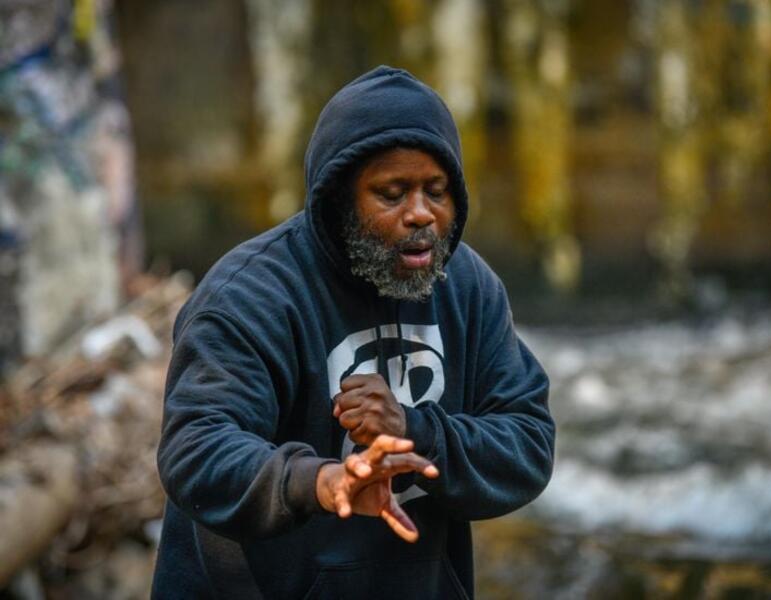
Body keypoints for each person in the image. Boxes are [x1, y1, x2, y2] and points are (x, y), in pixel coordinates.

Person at [151, 66, 555, 599]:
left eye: (437, 191)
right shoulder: (248, 297)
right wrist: (322, 483)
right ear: (338, 198)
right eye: (392, 193)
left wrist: (417, 431)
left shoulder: (468, 287)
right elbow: (197, 449)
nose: (421, 215)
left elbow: (528, 442)